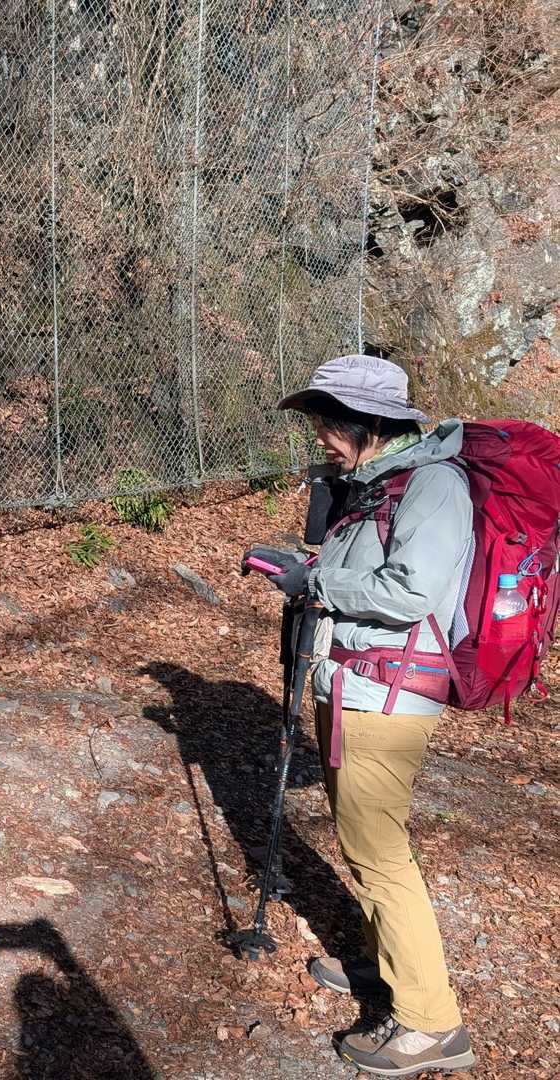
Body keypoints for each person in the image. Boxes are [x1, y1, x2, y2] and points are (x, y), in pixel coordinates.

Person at [243, 354, 476, 1077]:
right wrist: (305, 564)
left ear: (372, 423)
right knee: (366, 845)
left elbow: (409, 592)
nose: (320, 435)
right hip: (356, 686)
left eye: (328, 422)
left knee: (379, 855)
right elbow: (361, 574)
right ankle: (390, 968)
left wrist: (314, 580)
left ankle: (431, 1024)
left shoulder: (433, 485)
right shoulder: (378, 483)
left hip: (385, 697)